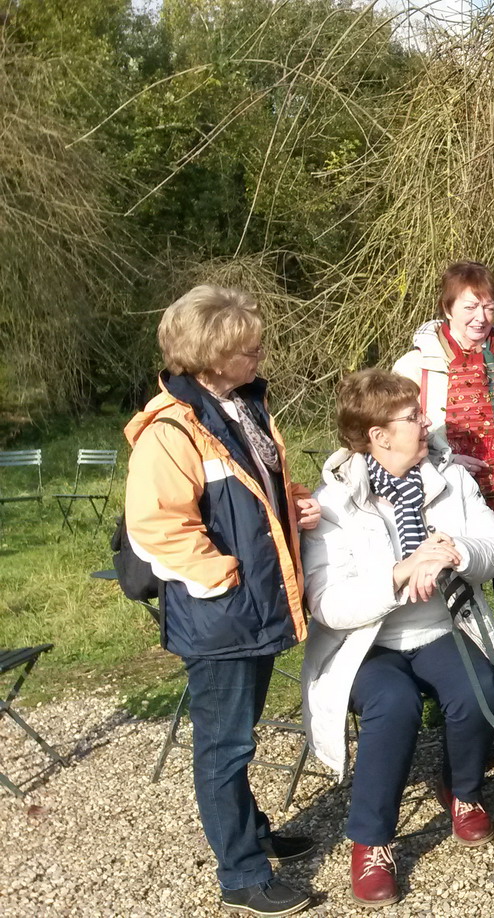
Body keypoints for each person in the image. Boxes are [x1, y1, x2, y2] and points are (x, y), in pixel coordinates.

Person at [124, 285, 320, 917]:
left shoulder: (240, 407)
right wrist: (220, 577)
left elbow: (251, 491)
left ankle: (251, 831)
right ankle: (240, 873)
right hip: (223, 614)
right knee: (224, 745)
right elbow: (155, 526)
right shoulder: (172, 430)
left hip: (256, 605)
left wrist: (292, 503)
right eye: (246, 346)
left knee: (241, 736)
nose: (260, 351)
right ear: (209, 354)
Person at [301, 369, 494, 907]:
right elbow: (328, 605)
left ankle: (461, 789)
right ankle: (371, 843)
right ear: (378, 436)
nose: (427, 424)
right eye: (413, 418)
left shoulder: (450, 479)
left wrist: (455, 550)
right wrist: (400, 573)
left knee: (480, 690)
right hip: (364, 645)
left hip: (439, 627)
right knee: (393, 705)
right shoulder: (334, 503)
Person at [393, 260, 494, 665]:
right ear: (447, 308)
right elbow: (393, 441)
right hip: (447, 512)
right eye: (470, 308)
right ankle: (472, 701)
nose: (482, 318)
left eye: (490, 307)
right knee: (462, 621)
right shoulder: (413, 368)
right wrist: (445, 458)